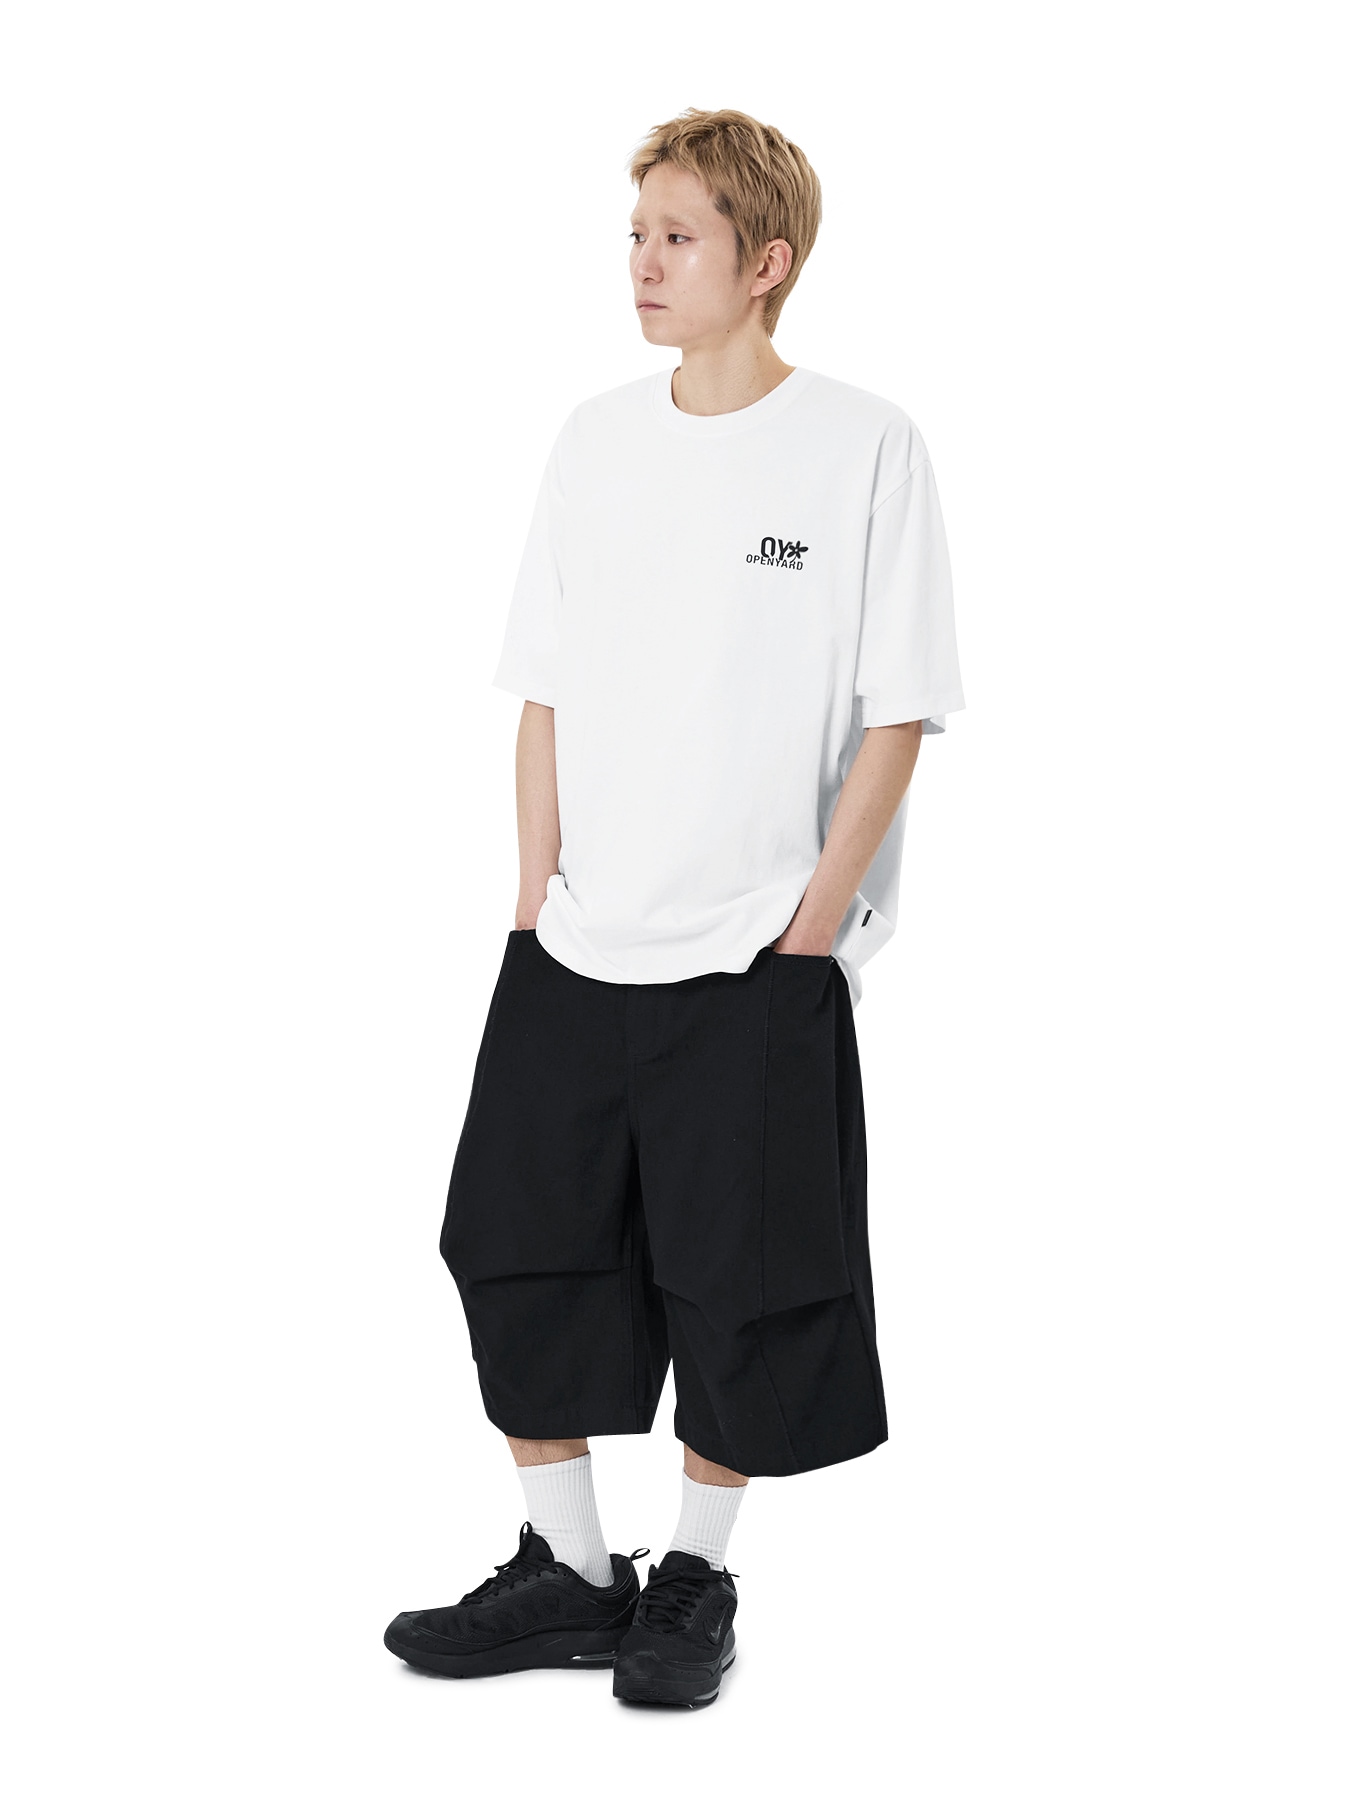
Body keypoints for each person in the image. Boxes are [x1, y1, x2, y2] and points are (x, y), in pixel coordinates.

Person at [385, 105, 965, 1709]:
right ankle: (573, 1574)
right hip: (575, 940)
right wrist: (531, 903)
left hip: (753, 953)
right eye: (633, 233)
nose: (642, 262)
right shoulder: (592, 439)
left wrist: (812, 929)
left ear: (763, 264)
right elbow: (544, 691)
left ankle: (695, 1579)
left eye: (677, 236)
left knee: (744, 1275)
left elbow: (899, 712)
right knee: (511, 1240)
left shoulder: (863, 445)